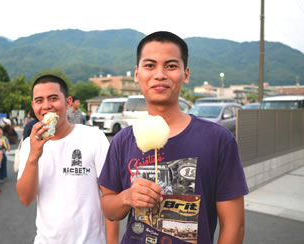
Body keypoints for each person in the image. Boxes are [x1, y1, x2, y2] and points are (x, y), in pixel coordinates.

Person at [98, 31, 248, 244]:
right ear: (136, 73)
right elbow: (109, 208)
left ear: (185, 74)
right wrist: (127, 197)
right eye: (149, 65)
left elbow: (234, 225)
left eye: (171, 66)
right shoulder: (123, 140)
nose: (160, 75)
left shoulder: (218, 140)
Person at [16, 74, 119, 244]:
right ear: (33, 106)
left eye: (53, 98)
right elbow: (26, 199)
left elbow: (110, 195)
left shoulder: (93, 137)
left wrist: (113, 242)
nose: (46, 106)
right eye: (39, 100)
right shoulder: (29, 143)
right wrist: (34, 155)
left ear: (68, 102)